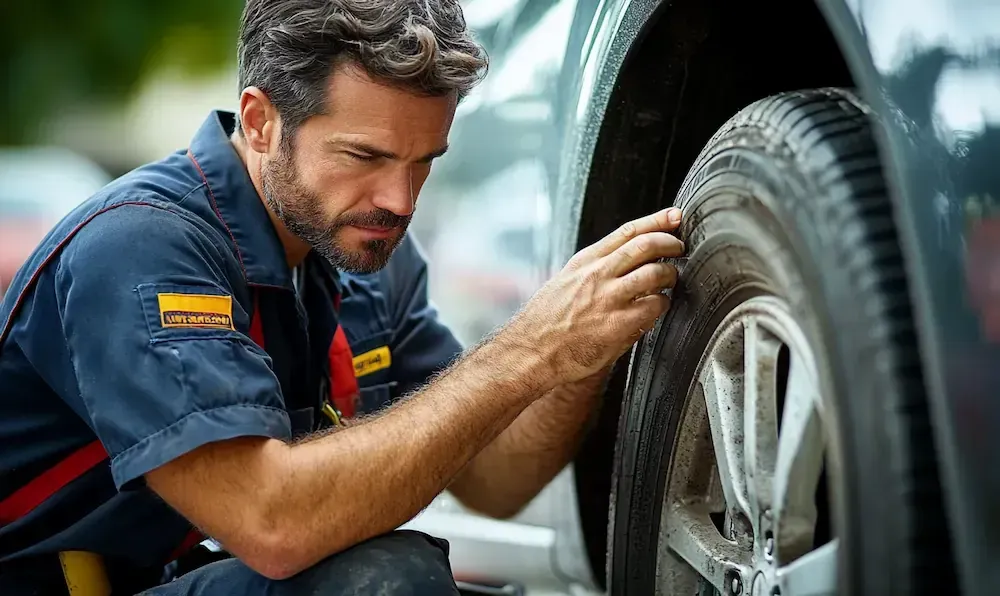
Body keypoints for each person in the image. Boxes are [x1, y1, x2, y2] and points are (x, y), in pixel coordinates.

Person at [0, 0, 685, 593]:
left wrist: (580, 351)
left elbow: (497, 482)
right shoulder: (140, 246)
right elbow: (272, 523)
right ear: (261, 122)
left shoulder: (361, 248)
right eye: (366, 156)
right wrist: (529, 347)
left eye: (423, 161)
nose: (400, 201)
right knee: (387, 579)